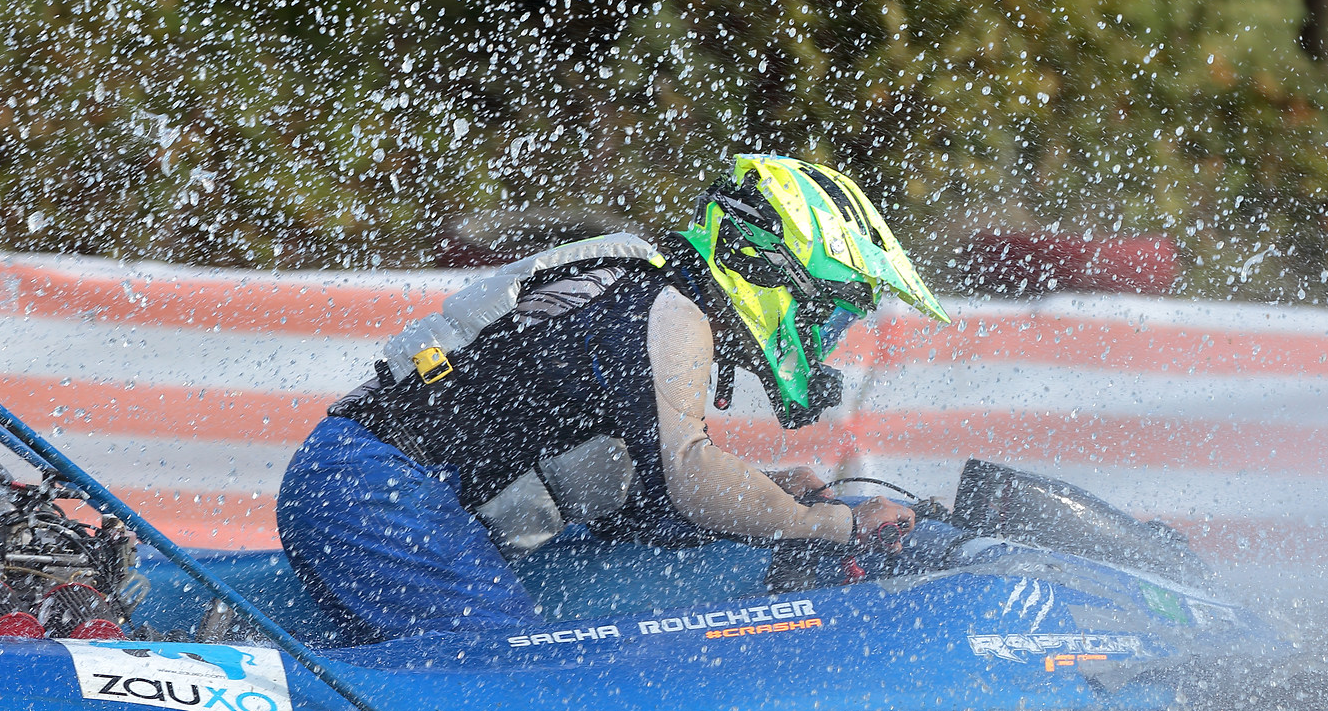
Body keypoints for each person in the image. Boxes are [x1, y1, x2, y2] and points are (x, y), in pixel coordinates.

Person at [275, 154, 953, 644]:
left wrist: (772, 492)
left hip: (364, 482)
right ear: (771, 270)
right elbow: (690, 476)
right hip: (381, 490)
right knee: (507, 682)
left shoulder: (653, 303)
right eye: (827, 314)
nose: (826, 338)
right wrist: (833, 527)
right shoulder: (668, 307)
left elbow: (641, 493)